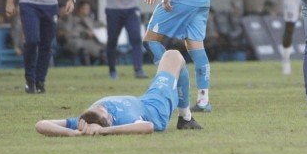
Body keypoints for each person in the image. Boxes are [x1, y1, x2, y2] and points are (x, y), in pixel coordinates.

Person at [35, 50, 203, 136]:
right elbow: (148, 127)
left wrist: (74, 133)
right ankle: (186, 116)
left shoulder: (84, 121)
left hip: (144, 99)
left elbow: (41, 124)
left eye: (97, 107)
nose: (101, 106)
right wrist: (103, 132)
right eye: (102, 111)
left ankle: (185, 118)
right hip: (156, 106)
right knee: (174, 55)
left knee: (179, 66)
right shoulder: (124, 121)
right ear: (109, 121)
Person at [65, 0, 105, 66]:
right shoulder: (71, 19)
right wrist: (83, 33)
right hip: (75, 41)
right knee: (84, 51)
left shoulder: (89, 20)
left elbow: (99, 26)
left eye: (88, 8)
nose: (88, 10)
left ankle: (102, 71)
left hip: (89, 42)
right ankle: (87, 69)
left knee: (102, 51)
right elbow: (68, 32)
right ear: (80, 9)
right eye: (86, 8)